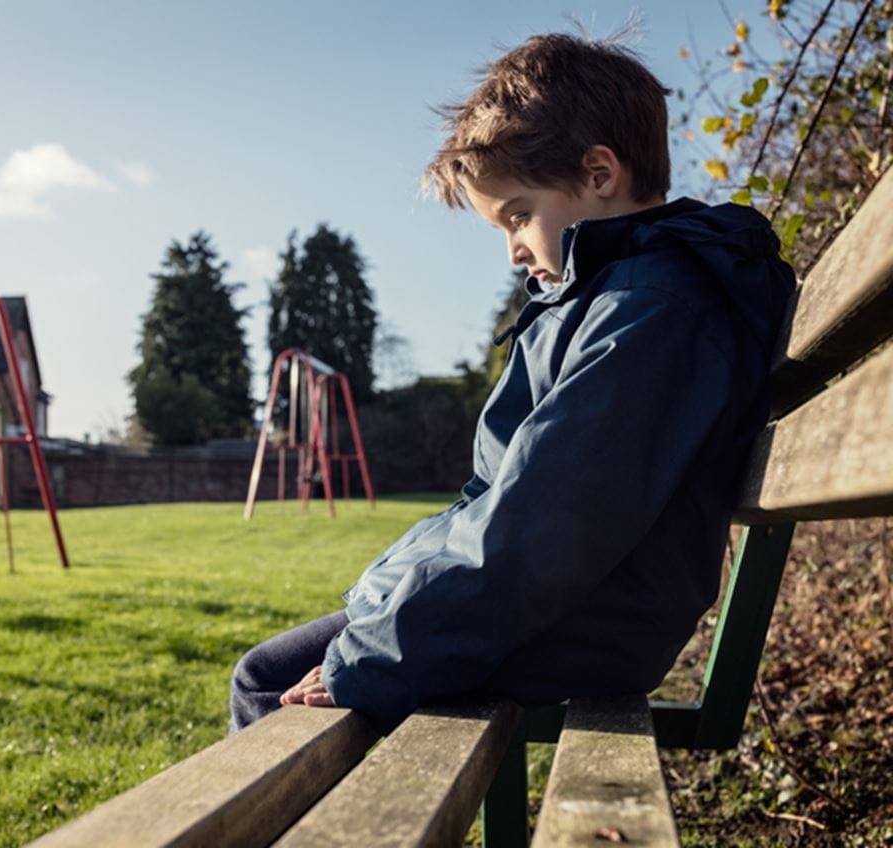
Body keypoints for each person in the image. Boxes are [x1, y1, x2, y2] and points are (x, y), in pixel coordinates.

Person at [229, 32, 796, 734]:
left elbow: (544, 525)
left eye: (519, 215)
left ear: (598, 173)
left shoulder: (652, 313)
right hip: (562, 605)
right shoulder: (609, 299)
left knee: (266, 685)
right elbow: (508, 502)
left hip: (581, 619)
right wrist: (389, 598)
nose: (513, 250)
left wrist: (370, 660)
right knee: (275, 671)